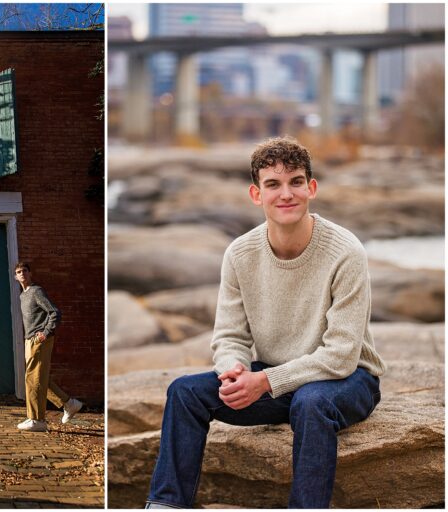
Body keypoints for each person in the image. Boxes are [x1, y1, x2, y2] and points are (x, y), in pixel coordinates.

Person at [145, 137, 386, 509]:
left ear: (312, 188)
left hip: (348, 380)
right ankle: (166, 504)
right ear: (256, 194)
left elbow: (340, 356)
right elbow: (229, 335)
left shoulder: (346, 252)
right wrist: (234, 369)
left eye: (296, 181)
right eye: (273, 184)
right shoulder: (240, 253)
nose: (286, 194)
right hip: (275, 379)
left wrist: (265, 381)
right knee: (184, 392)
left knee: (310, 402)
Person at [14, 262, 84, 432]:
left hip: (39, 339)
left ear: (30, 274)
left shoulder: (36, 291)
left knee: (33, 378)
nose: (22, 274)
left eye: (24, 271)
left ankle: (37, 420)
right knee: (38, 377)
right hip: (29, 339)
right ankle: (69, 403)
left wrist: (45, 332)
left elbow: (54, 312)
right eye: (18, 272)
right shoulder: (23, 296)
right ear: (15, 277)